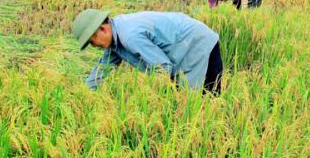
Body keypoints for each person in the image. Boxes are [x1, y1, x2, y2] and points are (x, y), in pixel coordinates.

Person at [72, 9, 223, 95]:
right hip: (181, 50)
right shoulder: (115, 42)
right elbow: (101, 70)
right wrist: (83, 94)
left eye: (92, 41)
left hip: (197, 44)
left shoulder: (130, 36)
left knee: (202, 100)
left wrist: (148, 93)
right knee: (180, 99)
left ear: (103, 29)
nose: (94, 46)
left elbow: (163, 68)